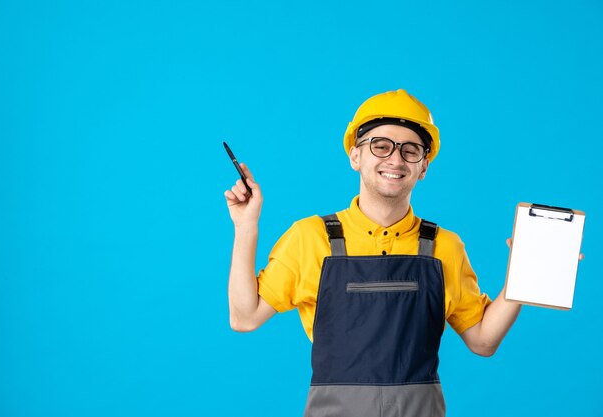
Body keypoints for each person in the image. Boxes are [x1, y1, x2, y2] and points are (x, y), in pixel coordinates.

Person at [224, 89, 522, 417]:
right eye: (381, 146)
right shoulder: (309, 238)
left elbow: (483, 341)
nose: (395, 160)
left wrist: (524, 275)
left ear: (423, 166)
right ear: (356, 156)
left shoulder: (444, 247)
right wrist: (246, 226)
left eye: (410, 151)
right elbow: (244, 317)